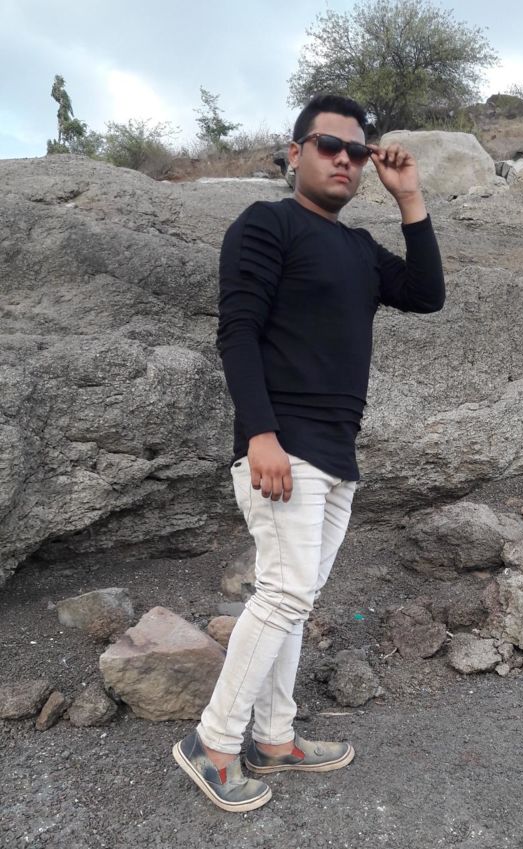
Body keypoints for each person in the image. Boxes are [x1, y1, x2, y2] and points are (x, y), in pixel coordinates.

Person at [172, 94, 445, 812]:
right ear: (296, 153)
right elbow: (237, 331)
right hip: (283, 446)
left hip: (336, 454)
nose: (345, 161)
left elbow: (427, 293)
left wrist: (408, 196)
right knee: (285, 594)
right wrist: (260, 435)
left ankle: (274, 737)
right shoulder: (266, 224)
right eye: (330, 146)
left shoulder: (359, 249)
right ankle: (214, 743)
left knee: (293, 601)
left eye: (357, 152)